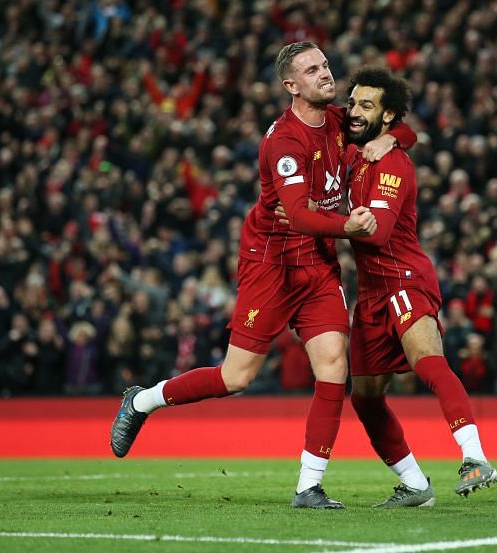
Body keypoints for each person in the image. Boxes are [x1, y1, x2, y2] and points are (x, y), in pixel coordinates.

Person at [110, 42, 415, 510]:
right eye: (312, 71)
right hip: (271, 261)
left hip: (316, 263)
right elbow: (296, 214)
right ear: (290, 85)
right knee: (236, 376)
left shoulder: (337, 122)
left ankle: (308, 487)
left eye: (326, 66)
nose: (325, 75)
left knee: (334, 365)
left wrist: (394, 139)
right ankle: (143, 401)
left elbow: (401, 128)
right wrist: (348, 225)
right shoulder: (283, 140)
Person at [305, 67, 497, 505]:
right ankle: (414, 485)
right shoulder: (356, 153)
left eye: (366, 106)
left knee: (428, 362)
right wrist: (399, 133)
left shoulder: (392, 162)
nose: (354, 111)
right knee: (366, 399)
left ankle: (475, 457)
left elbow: (375, 232)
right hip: (370, 294)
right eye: (353, 102)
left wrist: (320, 221)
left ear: (387, 115)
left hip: (404, 279)